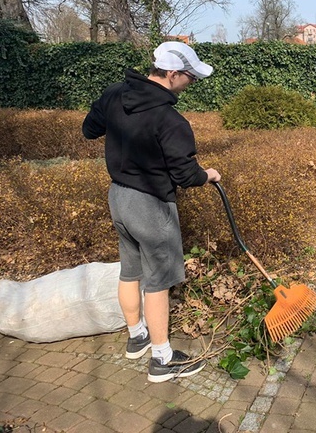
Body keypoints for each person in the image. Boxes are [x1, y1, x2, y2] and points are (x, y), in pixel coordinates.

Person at [82, 41, 221, 383]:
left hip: (119, 198)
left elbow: (90, 129)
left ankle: (137, 336)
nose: (192, 83)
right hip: (151, 205)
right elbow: (185, 175)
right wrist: (209, 175)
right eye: (190, 76)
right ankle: (163, 358)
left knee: (130, 271)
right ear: (173, 74)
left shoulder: (116, 93)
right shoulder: (169, 119)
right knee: (158, 281)